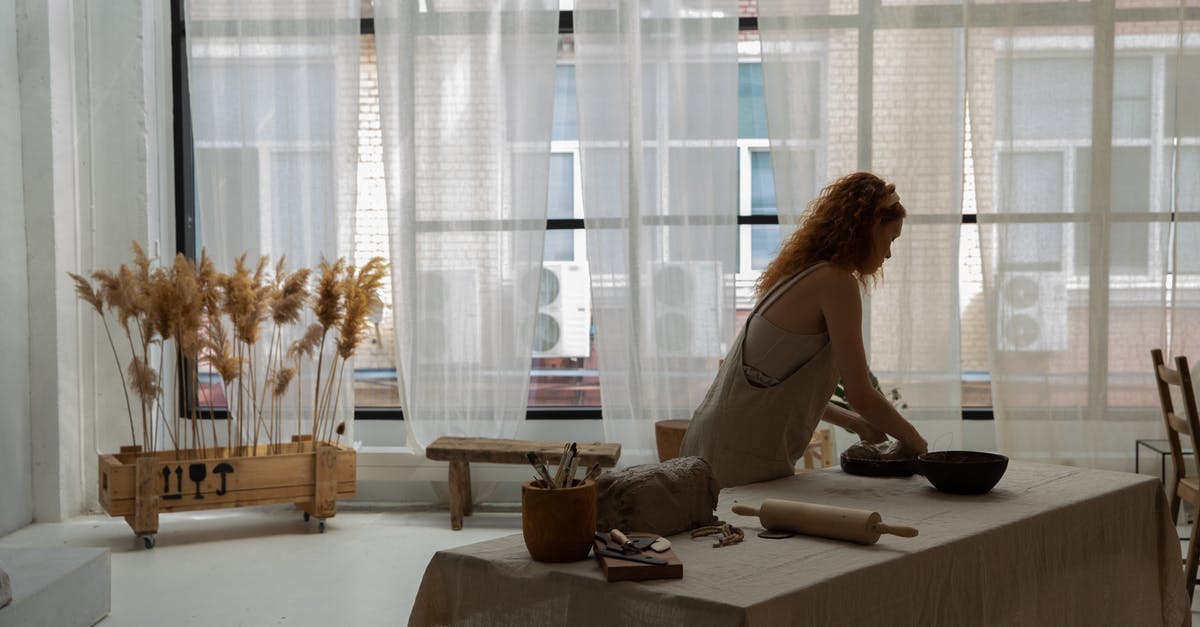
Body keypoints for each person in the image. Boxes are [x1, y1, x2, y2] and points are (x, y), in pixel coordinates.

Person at [680, 172, 928, 488]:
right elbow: (861, 393)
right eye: (891, 239)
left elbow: (784, 391)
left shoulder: (801, 275)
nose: (889, 253)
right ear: (870, 227)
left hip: (716, 445)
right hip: (736, 456)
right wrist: (918, 444)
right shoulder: (836, 283)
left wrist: (859, 425)